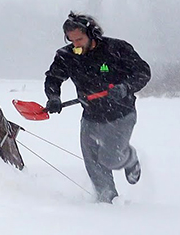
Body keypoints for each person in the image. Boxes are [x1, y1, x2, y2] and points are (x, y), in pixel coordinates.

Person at [44, 11, 151, 203]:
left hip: (121, 114)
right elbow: (53, 78)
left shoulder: (116, 49)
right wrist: (53, 97)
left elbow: (143, 72)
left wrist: (125, 88)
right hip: (91, 116)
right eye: (72, 40)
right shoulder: (66, 55)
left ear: (92, 33)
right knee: (93, 162)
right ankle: (107, 200)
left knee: (110, 158)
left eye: (80, 39)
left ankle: (129, 158)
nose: (76, 44)